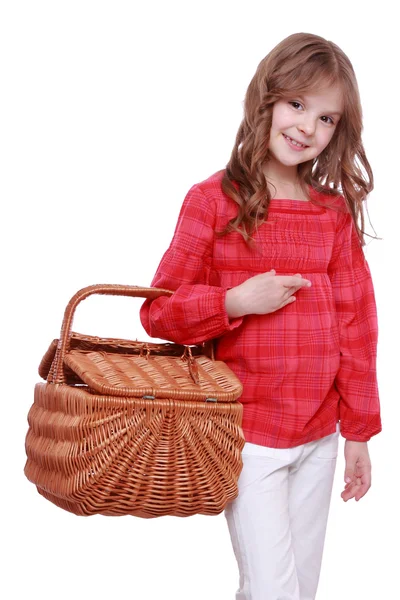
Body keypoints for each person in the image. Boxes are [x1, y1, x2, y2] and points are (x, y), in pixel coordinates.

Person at [139, 32, 382, 600]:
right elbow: (158, 312)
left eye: (326, 118)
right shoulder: (214, 200)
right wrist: (232, 303)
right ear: (266, 99)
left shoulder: (332, 214)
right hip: (248, 435)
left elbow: (357, 325)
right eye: (296, 104)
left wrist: (359, 432)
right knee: (275, 589)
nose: (306, 127)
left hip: (319, 435)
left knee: (299, 588)